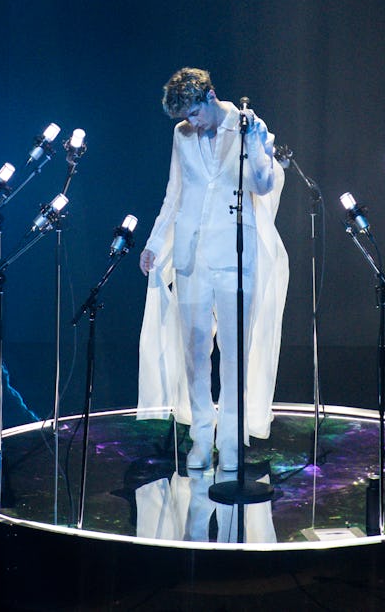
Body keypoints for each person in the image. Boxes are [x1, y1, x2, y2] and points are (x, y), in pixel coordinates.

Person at [137, 67, 289, 472]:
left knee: (235, 353)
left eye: (193, 113)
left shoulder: (247, 125)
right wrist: (154, 244)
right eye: (184, 117)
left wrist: (259, 148)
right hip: (191, 255)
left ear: (209, 96)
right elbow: (175, 192)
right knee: (195, 351)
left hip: (236, 255)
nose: (190, 122)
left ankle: (233, 440)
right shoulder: (182, 136)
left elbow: (262, 186)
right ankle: (201, 436)